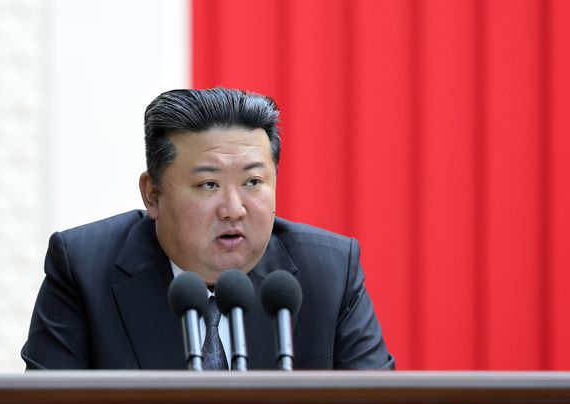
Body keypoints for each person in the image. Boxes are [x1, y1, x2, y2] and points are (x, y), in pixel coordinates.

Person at [21, 87, 394, 370]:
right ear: (152, 194)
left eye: (253, 182)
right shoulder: (84, 269)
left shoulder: (329, 271)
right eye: (208, 185)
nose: (233, 209)